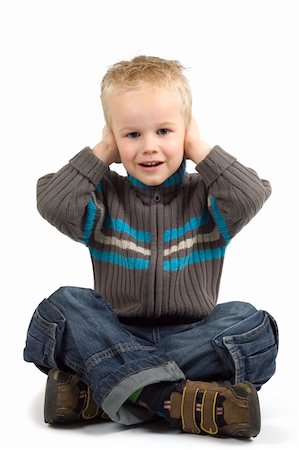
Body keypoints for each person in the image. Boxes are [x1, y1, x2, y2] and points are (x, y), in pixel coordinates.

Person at [24, 55, 278, 439]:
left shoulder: (208, 197)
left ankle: (104, 389)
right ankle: (170, 398)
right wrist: (101, 151)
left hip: (191, 335)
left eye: (164, 131)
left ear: (186, 133)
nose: (149, 147)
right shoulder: (105, 196)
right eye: (131, 135)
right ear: (113, 138)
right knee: (63, 306)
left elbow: (251, 195)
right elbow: (53, 202)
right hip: (113, 330)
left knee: (253, 326)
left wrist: (198, 146)